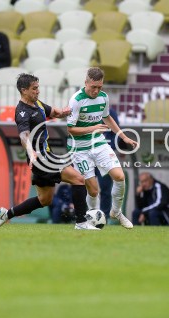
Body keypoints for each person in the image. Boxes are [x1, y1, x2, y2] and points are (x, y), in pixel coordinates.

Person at [0, 73, 91, 229]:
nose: (38, 91)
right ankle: (81, 222)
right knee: (78, 179)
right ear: (24, 90)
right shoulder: (22, 112)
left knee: (45, 200)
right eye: (34, 88)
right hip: (40, 158)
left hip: (45, 156)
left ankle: (6, 214)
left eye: (38, 87)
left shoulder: (37, 104)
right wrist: (31, 152)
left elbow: (55, 113)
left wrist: (70, 110)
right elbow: (24, 136)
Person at [66, 67, 137, 229]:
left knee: (119, 176)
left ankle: (116, 212)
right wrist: (92, 128)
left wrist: (124, 137)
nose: (96, 91)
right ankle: (91, 217)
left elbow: (107, 118)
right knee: (93, 190)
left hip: (99, 143)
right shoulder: (76, 100)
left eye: (100, 87)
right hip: (79, 148)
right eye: (93, 87)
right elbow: (70, 129)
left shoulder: (103, 98)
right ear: (86, 83)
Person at [94, 107, 121, 219]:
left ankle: (105, 217)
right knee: (82, 185)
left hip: (103, 158)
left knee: (105, 187)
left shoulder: (110, 112)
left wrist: (110, 148)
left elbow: (117, 132)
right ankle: (82, 214)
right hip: (86, 154)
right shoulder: (83, 109)